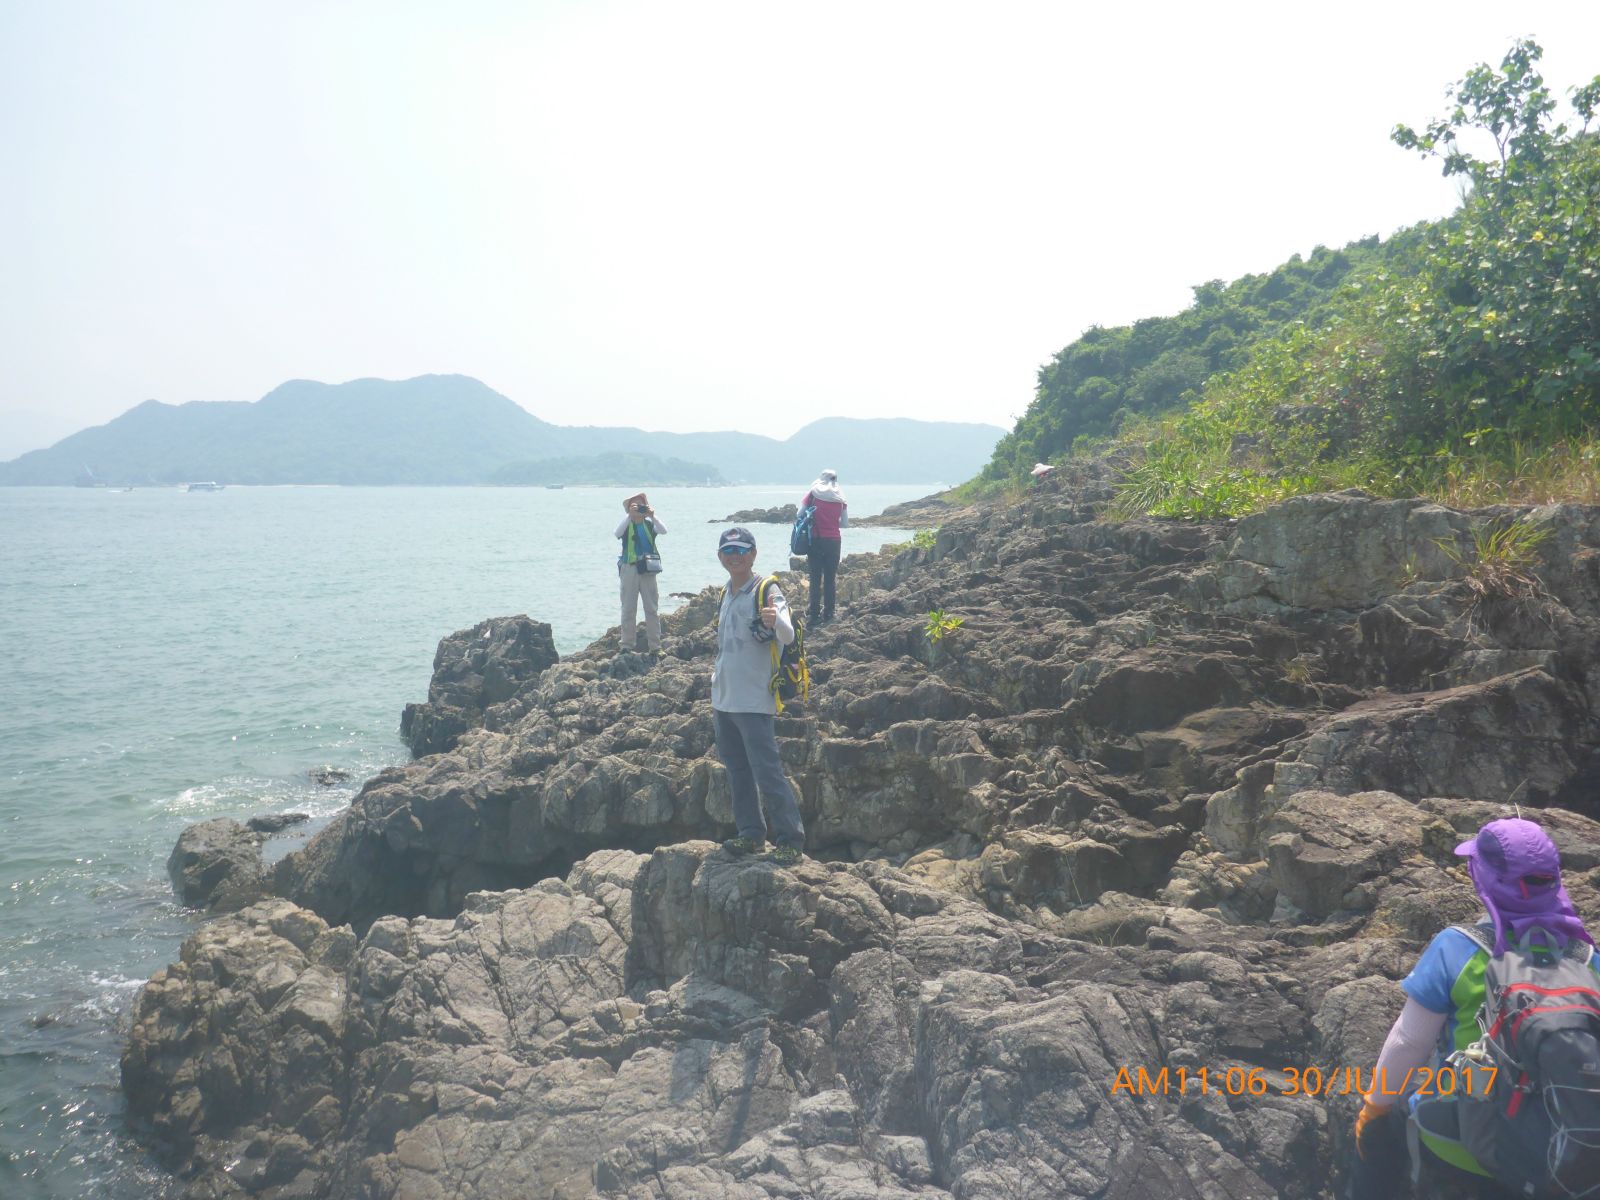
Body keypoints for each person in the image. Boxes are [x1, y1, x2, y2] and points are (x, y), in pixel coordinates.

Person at [1350, 817, 1600, 1199]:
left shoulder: (1456, 947)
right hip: (1561, 1155)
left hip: (1462, 1145)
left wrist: (1374, 1110)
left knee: (1382, 1130)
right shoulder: (1588, 960)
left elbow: (1408, 1043)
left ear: (1483, 879)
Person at [712, 526, 806, 867]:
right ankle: (751, 833)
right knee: (737, 771)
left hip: (753, 700)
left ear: (753, 554)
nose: (735, 556)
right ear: (720, 556)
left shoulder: (767, 589)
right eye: (729, 551)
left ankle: (790, 839)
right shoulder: (726, 593)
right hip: (723, 698)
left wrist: (775, 619)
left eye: (741, 550)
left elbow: (788, 633)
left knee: (767, 772)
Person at [615, 492, 667, 654]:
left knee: (651, 608)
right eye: (635, 505)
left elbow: (664, 530)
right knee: (628, 608)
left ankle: (655, 646)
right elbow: (617, 533)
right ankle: (626, 645)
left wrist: (653, 516)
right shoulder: (626, 525)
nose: (638, 508)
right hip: (629, 568)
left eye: (641, 505)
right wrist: (629, 516)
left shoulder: (650, 524)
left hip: (648, 569)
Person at [800, 468, 847, 626]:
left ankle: (814, 614)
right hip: (834, 541)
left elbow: (799, 514)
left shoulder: (813, 494)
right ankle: (829, 613)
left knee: (815, 578)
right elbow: (845, 524)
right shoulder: (840, 498)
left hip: (816, 540)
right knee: (830, 578)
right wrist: (832, 523)